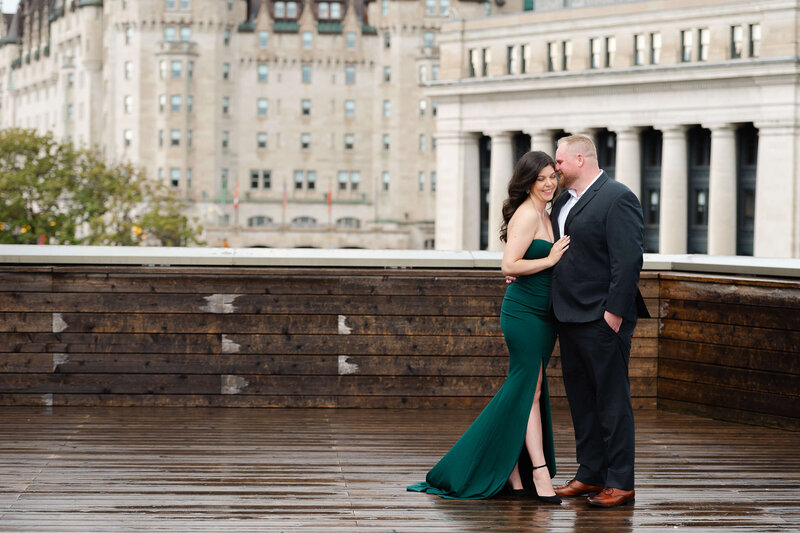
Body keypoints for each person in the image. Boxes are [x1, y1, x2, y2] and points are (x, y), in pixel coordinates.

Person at [407, 151, 570, 502]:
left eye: (552, 177)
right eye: (540, 178)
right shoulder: (527, 215)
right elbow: (508, 264)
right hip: (523, 314)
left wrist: (543, 264)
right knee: (531, 389)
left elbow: (522, 263)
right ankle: (538, 473)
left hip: (545, 316)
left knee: (528, 390)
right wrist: (550, 258)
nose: (548, 183)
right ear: (527, 182)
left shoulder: (548, 213)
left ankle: (511, 468)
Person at [549, 135, 648, 508]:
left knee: (611, 401)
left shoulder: (617, 196)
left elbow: (628, 261)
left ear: (579, 158)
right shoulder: (562, 202)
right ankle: (590, 473)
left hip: (602, 318)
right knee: (582, 400)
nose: (555, 168)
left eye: (559, 161)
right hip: (568, 316)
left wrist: (614, 313)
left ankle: (621, 482)